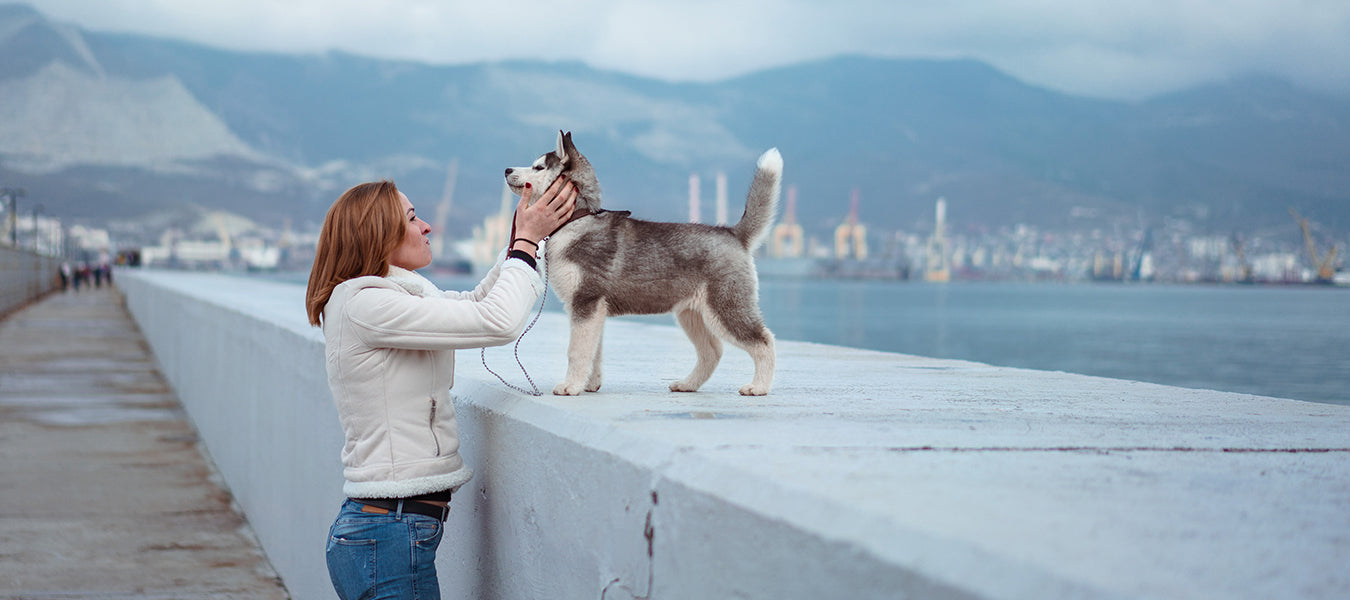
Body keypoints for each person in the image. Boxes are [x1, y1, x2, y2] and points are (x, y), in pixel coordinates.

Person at [305, 177, 577, 600]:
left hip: (390, 530)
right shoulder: (365, 304)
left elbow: (472, 306)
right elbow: (497, 321)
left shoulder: (377, 300)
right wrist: (524, 243)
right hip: (388, 533)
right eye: (413, 218)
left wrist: (524, 242)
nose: (427, 226)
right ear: (379, 235)